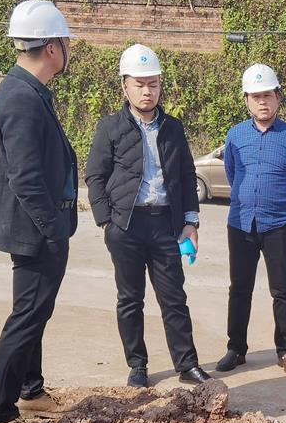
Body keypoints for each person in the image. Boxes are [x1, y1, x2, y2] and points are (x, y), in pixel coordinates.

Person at [0, 0, 78, 423]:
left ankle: (30, 390)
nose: (69, 50)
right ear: (53, 47)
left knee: (35, 311)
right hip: (35, 230)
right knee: (27, 316)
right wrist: (53, 231)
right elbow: (25, 177)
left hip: (36, 226)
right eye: (66, 42)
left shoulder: (26, 90)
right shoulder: (21, 98)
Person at [85, 44, 211, 388]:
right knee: (130, 300)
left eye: (153, 84)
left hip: (165, 225)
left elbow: (186, 175)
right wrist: (106, 221)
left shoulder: (173, 128)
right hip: (125, 226)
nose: (147, 91)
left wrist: (191, 222)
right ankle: (137, 366)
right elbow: (95, 175)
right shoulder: (110, 127)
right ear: (124, 85)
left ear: (160, 85)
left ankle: (187, 364)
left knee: (174, 298)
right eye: (139, 84)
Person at [216, 64, 286, 376]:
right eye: (256, 96)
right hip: (241, 223)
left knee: (282, 290)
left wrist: (276, 200)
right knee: (239, 288)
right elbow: (232, 174)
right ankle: (236, 349)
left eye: (267, 95)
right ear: (246, 100)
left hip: (279, 225)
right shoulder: (235, 136)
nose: (262, 102)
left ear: (278, 97)